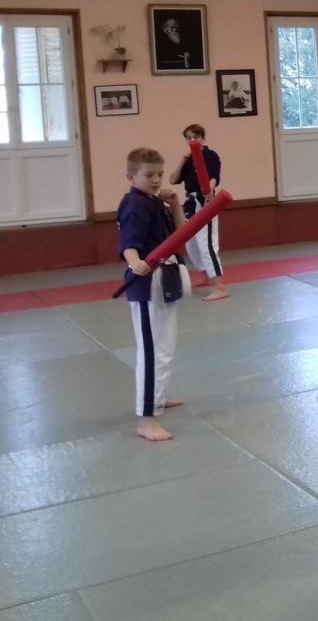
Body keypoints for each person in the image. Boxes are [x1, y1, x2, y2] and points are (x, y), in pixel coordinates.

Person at [117, 147, 191, 441]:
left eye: (159, 174)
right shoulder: (134, 204)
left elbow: (182, 234)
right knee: (152, 350)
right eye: (149, 175)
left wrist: (175, 205)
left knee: (165, 345)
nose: (157, 180)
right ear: (131, 176)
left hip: (165, 278)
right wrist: (135, 262)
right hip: (148, 283)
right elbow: (128, 243)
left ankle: (157, 395)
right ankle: (146, 418)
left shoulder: (155, 201)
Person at [169, 124, 227, 302]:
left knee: (206, 244)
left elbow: (214, 176)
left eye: (196, 137)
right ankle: (205, 274)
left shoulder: (210, 155)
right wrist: (182, 161)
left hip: (205, 203)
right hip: (190, 203)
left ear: (203, 138)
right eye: (188, 138)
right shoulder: (189, 159)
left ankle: (220, 287)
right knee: (191, 243)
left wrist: (209, 190)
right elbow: (173, 179)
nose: (192, 140)